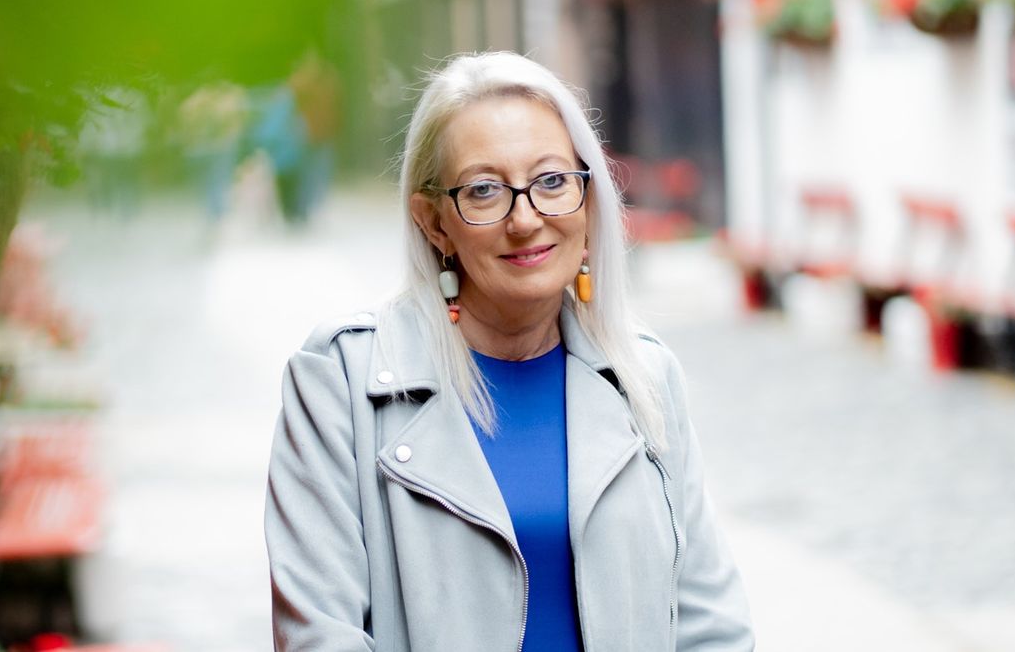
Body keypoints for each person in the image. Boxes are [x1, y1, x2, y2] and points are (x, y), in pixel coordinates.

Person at [263, 52, 754, 650]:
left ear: (588, 196)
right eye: (485, 191)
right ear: (434, 222)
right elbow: (320, 633)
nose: (525, 220)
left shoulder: (643, 374)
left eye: (551, 181)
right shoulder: (342, 381)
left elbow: (709, 621)